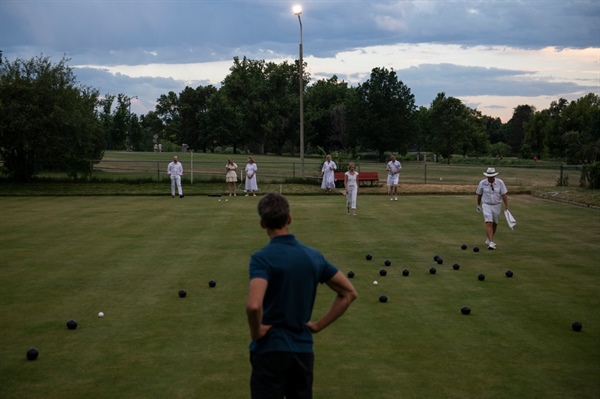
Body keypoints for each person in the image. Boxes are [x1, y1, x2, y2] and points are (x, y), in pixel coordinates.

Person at [246, 192, 358, 399]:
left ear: (262, 224)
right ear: (289, 219)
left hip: (269, 350)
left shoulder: (261, 259)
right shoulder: (313, 256)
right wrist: (317, 325)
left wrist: (256, 332)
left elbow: (254, 305)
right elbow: (349, 293)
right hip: (302, 351)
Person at [476, 167, 509, 250]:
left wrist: (506, 206)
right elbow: (479, 194)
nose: (490, 178)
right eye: (488, 176)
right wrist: (478, 205)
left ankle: (489, 239)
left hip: (497, 205)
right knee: (488, 222)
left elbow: (504, 194)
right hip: (486, 205)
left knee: (495, 223)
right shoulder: (482, 183)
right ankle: (491, 242)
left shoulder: (500, 182)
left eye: (492, 176)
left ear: (494, 176)